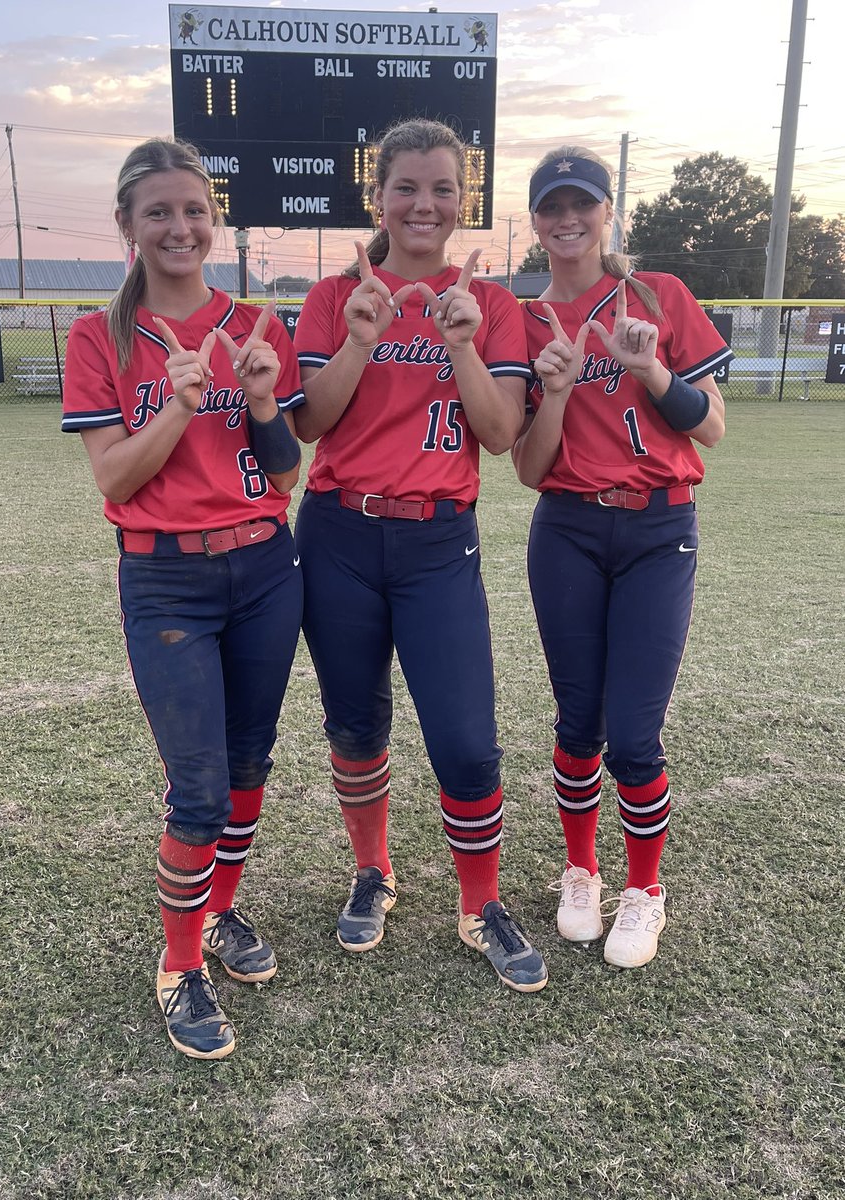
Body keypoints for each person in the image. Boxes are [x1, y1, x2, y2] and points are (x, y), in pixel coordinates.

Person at [61, 138, 304, 1058]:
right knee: (197, 789)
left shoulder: (254, 324)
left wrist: (263, 404)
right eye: (158, 211)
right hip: (166, 575)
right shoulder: (102, 337)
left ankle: (219, 914)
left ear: (216, 221)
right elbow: (116, 482)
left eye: (194, 210)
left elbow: (284, 466)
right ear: (127, 225)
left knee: (248, 766)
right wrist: (174, 404)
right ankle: (178, 966)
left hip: (266, 567)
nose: (180, 226)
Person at [292, 118, 547, 993]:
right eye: (406, 186)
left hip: (439, 539)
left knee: (467, 740)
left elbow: (503, 433)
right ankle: (373, 871)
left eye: (442, 188)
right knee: (356, 724)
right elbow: (306, 424)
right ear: (380, 196)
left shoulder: (492, 303)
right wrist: (363, 335)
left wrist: (464, 342)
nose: (424, 204)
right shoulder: (335, 296)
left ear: (463, 199)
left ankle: (481, 904)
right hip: (340, 533)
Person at [513, 146, 731, 969]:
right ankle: (581, 871)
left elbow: (710, 426)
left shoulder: (658, 296)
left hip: (657, 529)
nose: (568, 220)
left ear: (608, 213)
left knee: (634, 734)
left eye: (583, 204)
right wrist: (559, 390)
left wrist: (650, 368)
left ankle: (645, 889)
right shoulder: (526, 320)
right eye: (552, 207)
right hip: (566, 525)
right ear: (535, 221)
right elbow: (529, 471)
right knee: (578, 724)